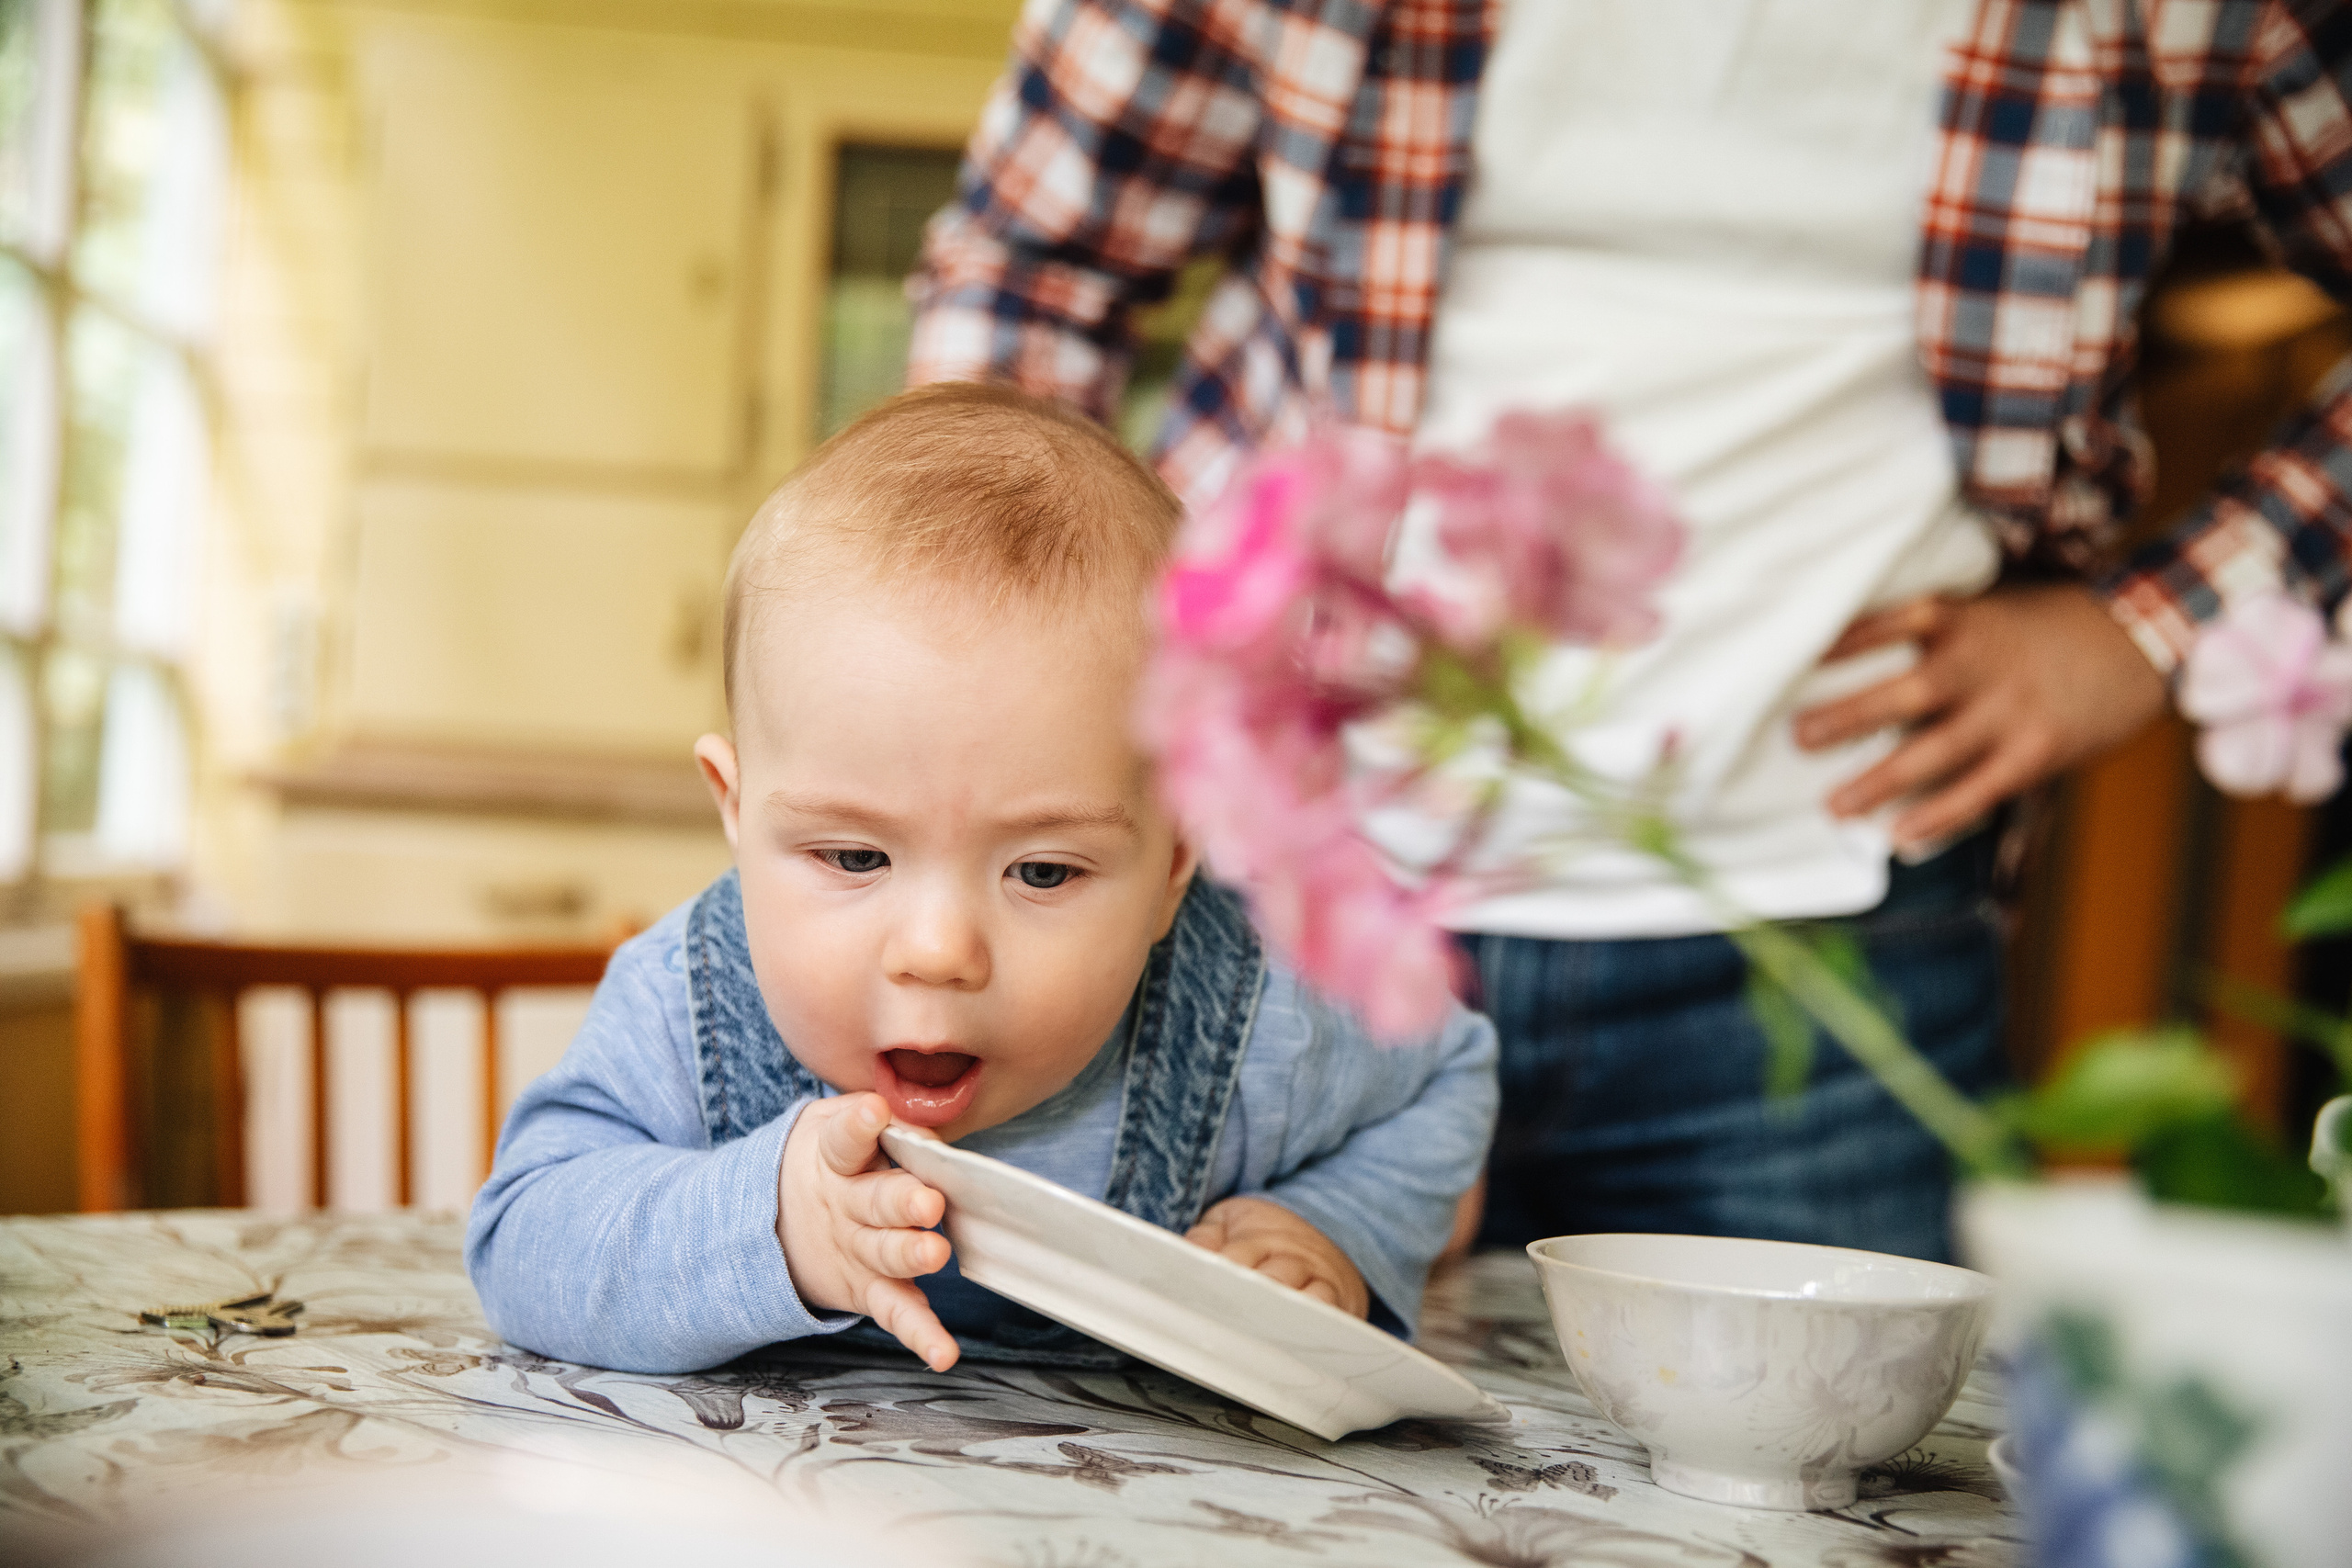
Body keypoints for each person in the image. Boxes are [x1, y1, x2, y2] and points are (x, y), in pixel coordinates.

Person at [907, 0, 2352, 1260]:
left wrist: (2149, 627)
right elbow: (1028, 268)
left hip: (1831, 927)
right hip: (1281, 908)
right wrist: (1051, 706)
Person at [465, 383, 1497, 1374]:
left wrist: (1331, 1228)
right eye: (855, 857)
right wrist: (770, 1223)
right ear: (736, 810)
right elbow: (524, 1237)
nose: (939, 951)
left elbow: (1446, 1075)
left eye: (1041, 870)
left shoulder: (1259, 1019)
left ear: (1176, 859)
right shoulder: (689, 1009)